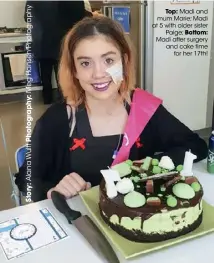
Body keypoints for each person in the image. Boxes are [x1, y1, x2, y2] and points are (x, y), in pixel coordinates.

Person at [15, 16, 208, 202]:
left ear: (124, 61)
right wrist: (53, 190)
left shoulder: (145, 109)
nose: (98, 74)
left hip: (134, 222)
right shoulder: (59, 119)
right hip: (79, 224)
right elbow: (26, 178)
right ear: (74, 70)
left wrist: (151, 166)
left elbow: (196, 147)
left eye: (108, 60)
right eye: (85, 63)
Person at [24, 1, 90, 104]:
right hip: (60, 40)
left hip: (43, 40)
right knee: (61, 72)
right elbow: (76, 17)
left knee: (45, 73)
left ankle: (47, 99)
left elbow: (27, 17)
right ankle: (62, 99)